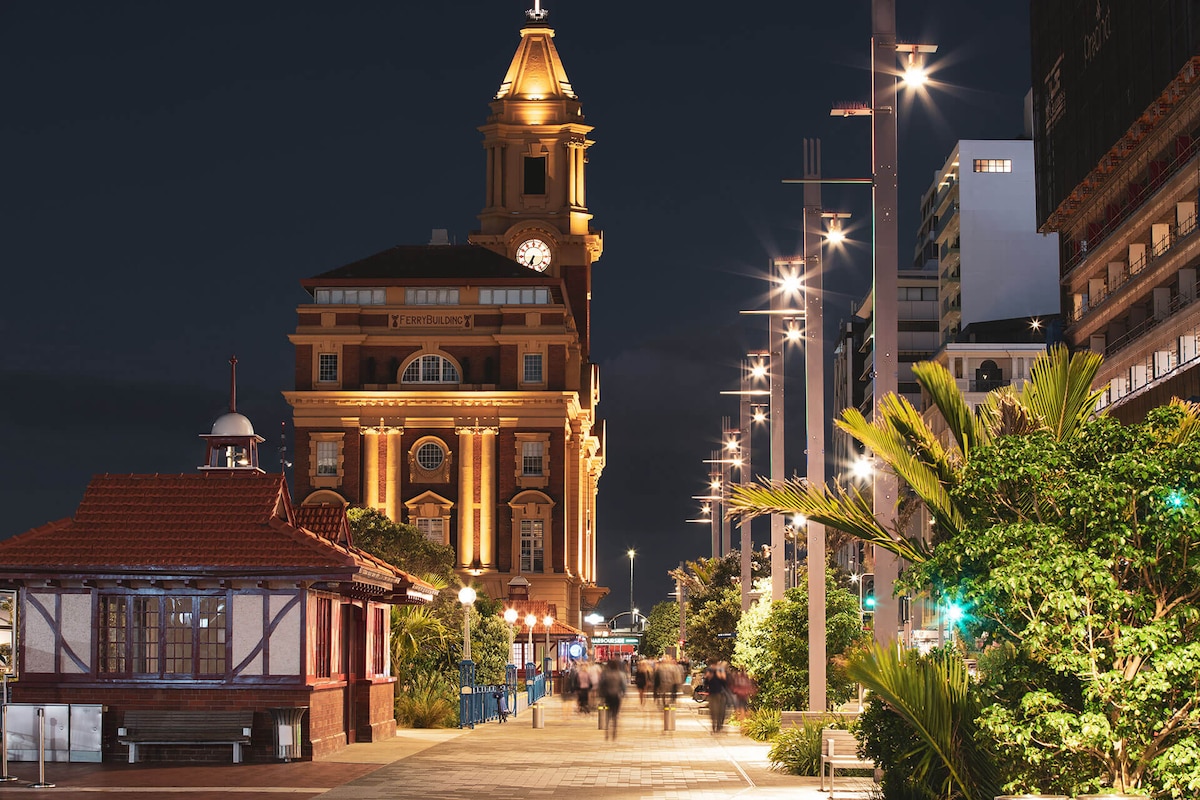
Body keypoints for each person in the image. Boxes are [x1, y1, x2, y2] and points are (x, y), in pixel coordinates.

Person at [599, 658, 627, 740]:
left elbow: (602, 685)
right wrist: (624, 694)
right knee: (615, 715)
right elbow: (623, 687)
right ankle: (614, 732)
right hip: (616, 696)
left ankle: (607, 732)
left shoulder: (606, 674)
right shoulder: (620, 674)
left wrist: (601, 695)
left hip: (608, 696)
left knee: (608, 715)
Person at [704, 661, 729, 733]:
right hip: (712, 693)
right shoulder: (710, 672)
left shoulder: (721, 672)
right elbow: (706, 683)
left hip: (720, 694)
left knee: (720, 710)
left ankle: (719, 725)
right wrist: (708, 678)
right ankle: (714, 725)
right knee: (713, 710)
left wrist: (722, 677)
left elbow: (726, 683)